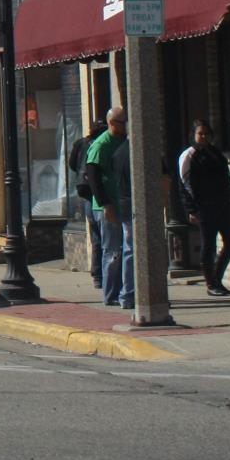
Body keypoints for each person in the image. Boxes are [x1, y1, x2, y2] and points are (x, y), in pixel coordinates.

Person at [178, 120, 230, 296]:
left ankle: (217, 278)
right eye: (200, 134)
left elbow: (225, 177)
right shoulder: (189, 155)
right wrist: (191, 209)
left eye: (206, 133)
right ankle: (211, 283)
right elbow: (184, 184)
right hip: (204, 207)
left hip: (224, 206)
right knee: (208, 245)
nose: (203, 137)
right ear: (194, 135)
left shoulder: (216, 153)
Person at [86, 107, 133, 309]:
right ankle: (110, 293)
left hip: (124, 202)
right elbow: (93, 177)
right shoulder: (101, 145)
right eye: (123, 122)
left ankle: (125, 290)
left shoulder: (124, 141)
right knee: (112, 251)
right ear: (112, 123)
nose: (126, 126)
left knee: (125, 250)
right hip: (108, 206)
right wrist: (106, 204)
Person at [70, 115, 106, 287]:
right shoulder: (102, 145)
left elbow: (72, 164)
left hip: (85, 191)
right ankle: (100, 274)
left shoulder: (81, 143)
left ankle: (97, 274)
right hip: (97, 193)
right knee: (102, 235)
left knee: (96, 234)